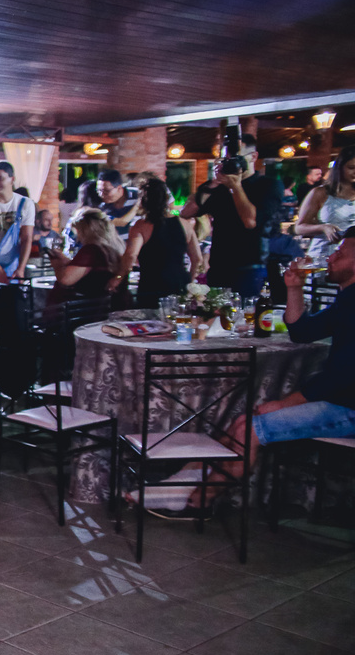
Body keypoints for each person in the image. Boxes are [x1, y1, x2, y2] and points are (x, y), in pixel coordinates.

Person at [184, 231, 355, 513]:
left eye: (341, 253)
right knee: (243, 420)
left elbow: (344, 373)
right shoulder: (347, 299)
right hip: (340, 400)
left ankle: (194, 500)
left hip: (348, 408)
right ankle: (184, 483)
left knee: (248, 429)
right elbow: (302, 332)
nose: (331, 257)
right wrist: (294, 288)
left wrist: (285, 403)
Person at [181, 134, 281, 296]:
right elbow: (186, 212)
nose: (232, 162)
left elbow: (250, 221)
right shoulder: (218, 187)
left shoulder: (268, 185)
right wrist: (213, 183)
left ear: (253, 157)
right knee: (215, 311)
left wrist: (235, 186)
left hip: (251, 266)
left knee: (246, 311)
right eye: (227, 158)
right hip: (219, 266)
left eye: (236, 157)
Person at [109, 177, 201, 307]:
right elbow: (197, 259)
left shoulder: (141, 226)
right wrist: (189, 281)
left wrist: (118, 277)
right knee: (178, 317)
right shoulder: (185, 224)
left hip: (152, 285)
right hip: (179, 283)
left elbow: (131, 255)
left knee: (151, 318)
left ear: (143, 201)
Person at [42, 208, 123, 303]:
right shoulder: (115, 247)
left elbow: (66, 279)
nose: (78, 236)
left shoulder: (91, 250)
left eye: (79, 231)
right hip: (107, 302)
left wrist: (56, 263)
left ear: (87, 231)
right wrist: (66, 260)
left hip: (84, 305)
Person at [295, 147, 355, 261]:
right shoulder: (320, 193)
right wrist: (323, 227)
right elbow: (299, 227)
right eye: (351, 168)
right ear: (340, 168)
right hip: (324, 256)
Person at [79, 169, 141, 239]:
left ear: (119, 188)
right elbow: (122, 222)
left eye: (106, 191)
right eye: (99, 190)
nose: (101, 195)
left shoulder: (139, 195)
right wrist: (137, 205)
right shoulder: (98, 206)